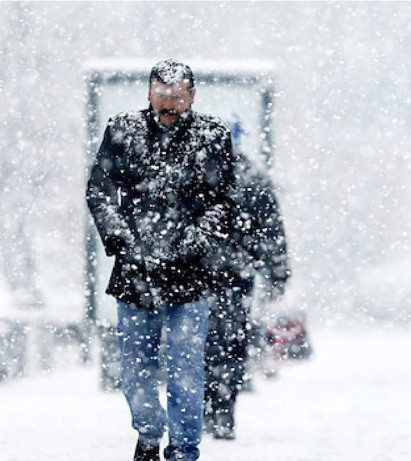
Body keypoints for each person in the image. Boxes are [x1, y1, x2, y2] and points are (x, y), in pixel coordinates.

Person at [86, 59, 237, 461]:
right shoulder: (123, 130)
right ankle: (149, 433)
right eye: (160, 95)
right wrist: (121, 237)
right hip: (135, 273)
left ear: (191, 95)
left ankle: (185, 449)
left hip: (191, 275)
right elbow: (100, 191)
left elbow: (224, 201)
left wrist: (194, 239)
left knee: (186, 372)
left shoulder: (212, 135)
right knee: (136, 373)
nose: (167, 104)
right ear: (148, 93)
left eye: (176, 96)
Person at [203, 115, 290, 440]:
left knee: (199, 343)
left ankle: (206, 408)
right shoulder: (253, 176)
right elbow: (272, 231)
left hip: (199, 275)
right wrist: (277, 272)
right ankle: (223, 408)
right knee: (230, 342)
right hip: (236, 276)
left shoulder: (196, 174)